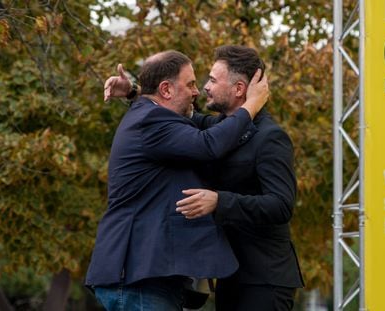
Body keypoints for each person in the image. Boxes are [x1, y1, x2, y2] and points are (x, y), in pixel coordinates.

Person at [107, 45, 304, 311]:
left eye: (212, 79)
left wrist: (220, 201)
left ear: (238, 90)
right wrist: (134, 92)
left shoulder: (271, 138)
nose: (204, 88)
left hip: (264, 280)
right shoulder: (218, 128)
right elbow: (172, 108)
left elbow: (281, 205)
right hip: (229, 276)